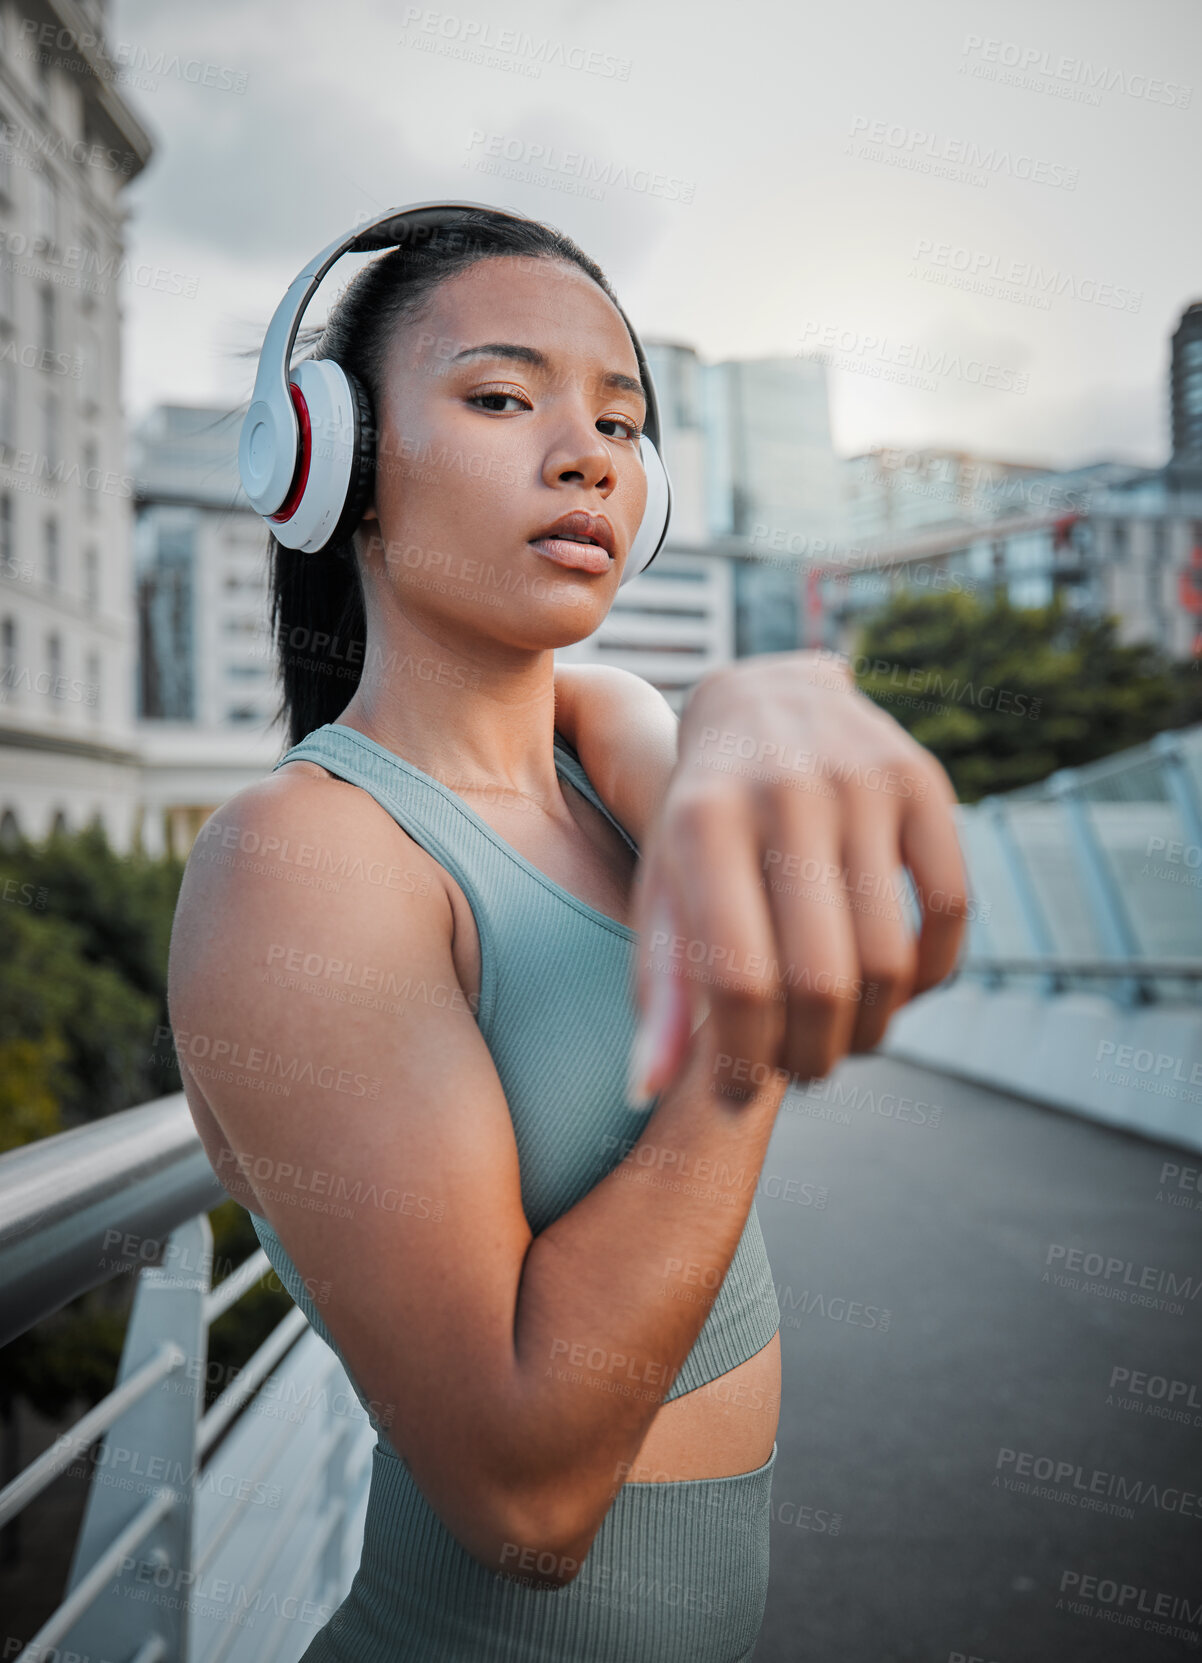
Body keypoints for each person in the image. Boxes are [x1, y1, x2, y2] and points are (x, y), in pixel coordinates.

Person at [168, 205, 966, 1662]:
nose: (587, 453)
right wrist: (739, 1031)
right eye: (497, 397)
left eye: (620, 419)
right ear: (329, 461)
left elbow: (776, 847)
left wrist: (750, 702)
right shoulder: (304, 860)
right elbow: (524, 1504)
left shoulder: (600, 750)